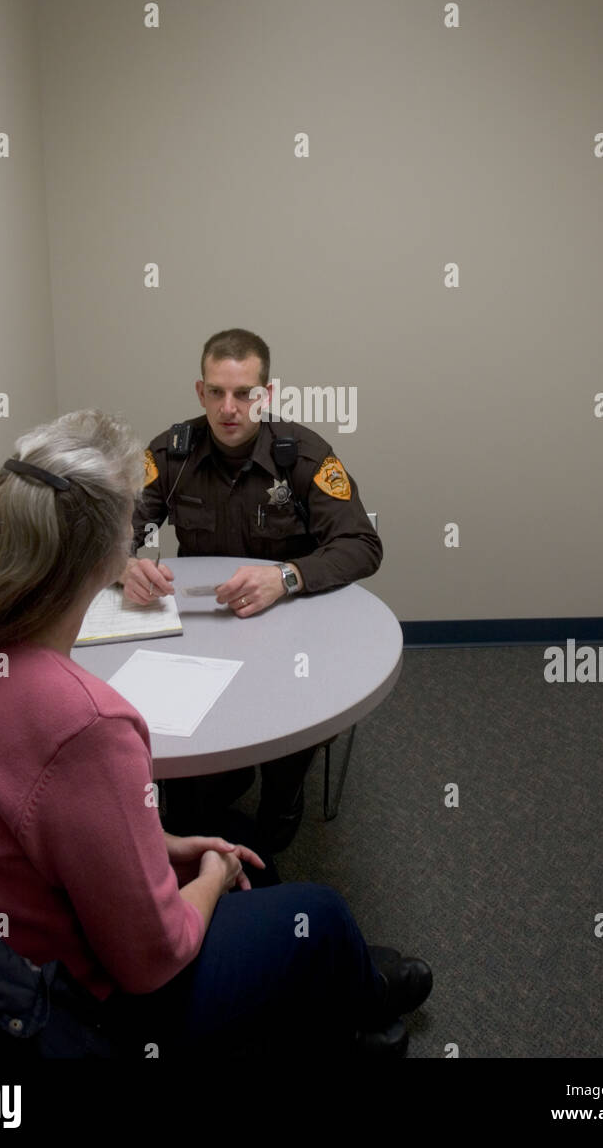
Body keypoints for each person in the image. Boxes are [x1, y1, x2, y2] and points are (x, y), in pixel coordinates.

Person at [0, 410, 431, 1058]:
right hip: (75, 1006)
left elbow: (41, 816)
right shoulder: (88, 722)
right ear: (114, 551)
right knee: (315, 909)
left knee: (245, 842)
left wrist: (160, 841)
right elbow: (150, 961)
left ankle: (323, 988)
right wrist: (213, 877)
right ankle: (347, 1002)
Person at [122, 328, 383, 853]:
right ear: (200, 392)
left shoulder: (304, 457)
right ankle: (193, 832)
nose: (229, 408)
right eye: (217, 392)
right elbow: (117, 527)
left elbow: (362, 544)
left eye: (244, 393)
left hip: (290, 632)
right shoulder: (170, 455)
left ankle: (278, 817)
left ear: (265, 394)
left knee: (286, 743)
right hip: (201, 631)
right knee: (180, 757)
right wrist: (123, 563)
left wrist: (286, 576)